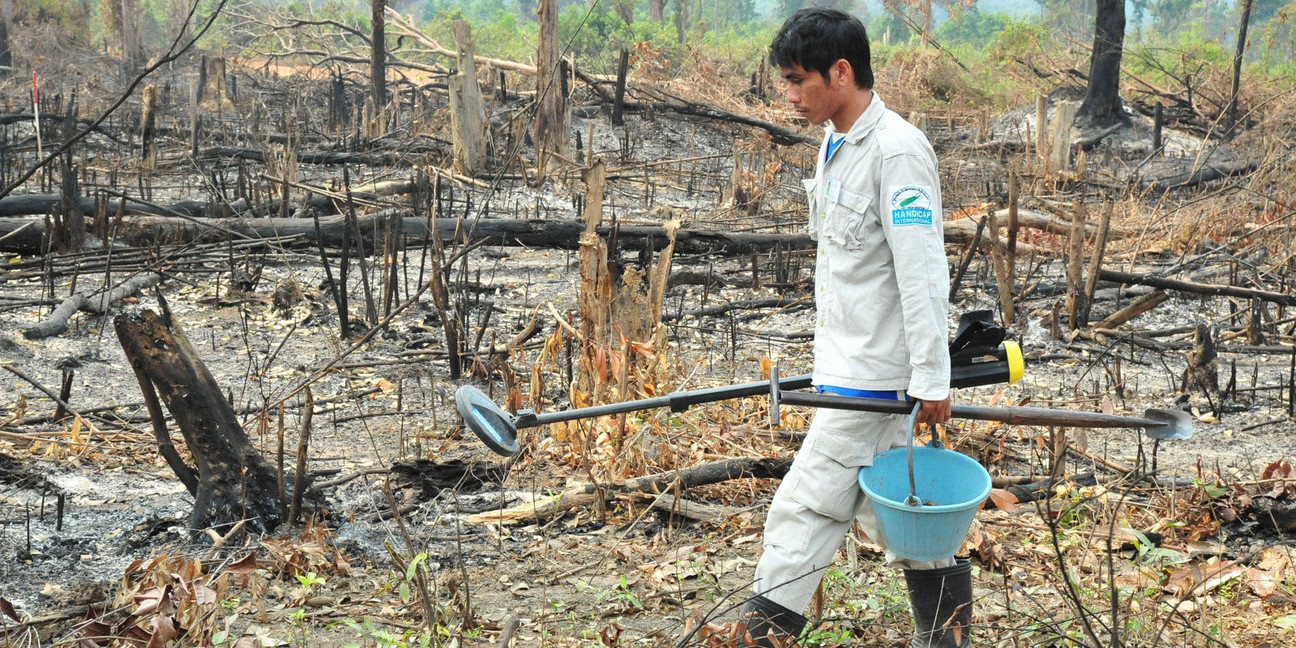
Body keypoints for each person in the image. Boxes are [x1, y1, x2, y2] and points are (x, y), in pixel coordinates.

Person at [738, 8, 972, 648]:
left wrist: (932, 379)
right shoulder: (837, 141)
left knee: (806, 509)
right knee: (896, 513)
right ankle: (947, 638)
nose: (789, 95)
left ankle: (758, 637)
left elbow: (922, 273)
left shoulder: (897, 151)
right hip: (848, 368)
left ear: (840, 72)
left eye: (798, 80)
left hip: (875, 379)